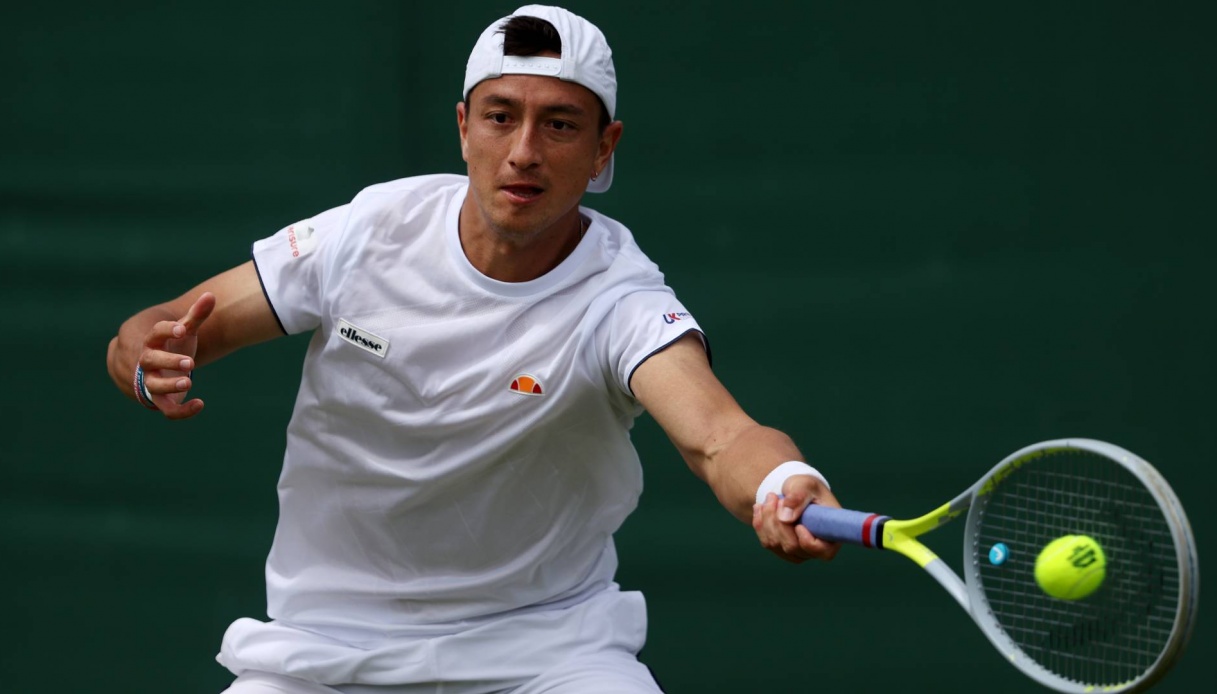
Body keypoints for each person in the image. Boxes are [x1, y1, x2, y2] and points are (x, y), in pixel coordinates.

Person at [106, 5, 841, 693]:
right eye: (500, 117)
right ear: (464, 128)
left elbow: (720, 437)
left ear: (602, 150)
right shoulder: (366, 233)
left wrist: (783, 480)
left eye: (559, 125)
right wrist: (146, 357)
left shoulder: (622, 300)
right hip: (322, 653)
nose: (523, 152)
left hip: (549, 656)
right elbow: (166, 326)